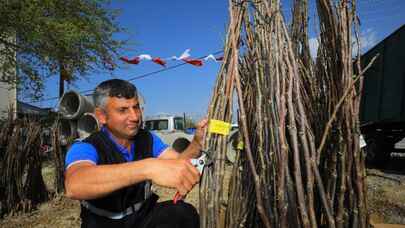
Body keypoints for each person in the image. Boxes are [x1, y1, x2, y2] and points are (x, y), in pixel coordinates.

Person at [64, 79, 208, 228]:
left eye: (136, 107)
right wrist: (148, 168)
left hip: (143, 217)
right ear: (101, 116)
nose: (135, 117)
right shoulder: (86, 146)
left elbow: (179, 164)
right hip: (105, 223)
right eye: (123, 110)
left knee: (184, 213)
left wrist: (197, 142)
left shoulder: (147, 138)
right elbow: (75, 185)